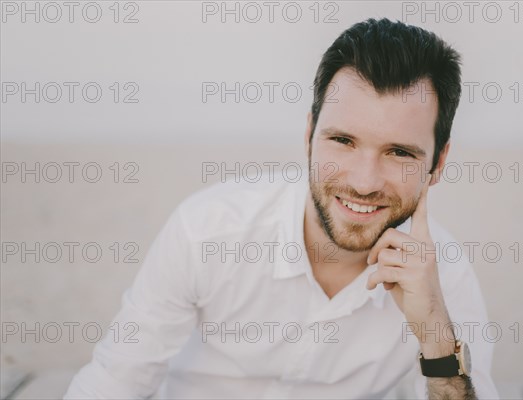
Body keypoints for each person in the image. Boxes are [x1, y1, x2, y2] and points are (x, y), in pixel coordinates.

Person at [65, 18, 499, 399]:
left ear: (438, 163)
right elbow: (114, 381)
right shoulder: (208, 231)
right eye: (342, 141)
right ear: (309, 134)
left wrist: (436, 338)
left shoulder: (445, 278)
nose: (363, 182)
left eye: (399, 152)